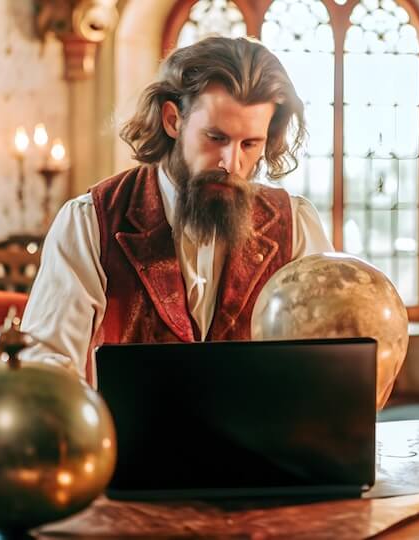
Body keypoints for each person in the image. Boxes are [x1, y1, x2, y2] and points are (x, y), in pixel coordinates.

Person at [21, 36, 333, 383]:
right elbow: (46, 374)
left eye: (249, 144)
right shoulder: (91, 222)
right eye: (215, 138)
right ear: (172, 120)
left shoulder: (296, 226)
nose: (231, 163)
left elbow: (329, 362)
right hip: (123, 439)